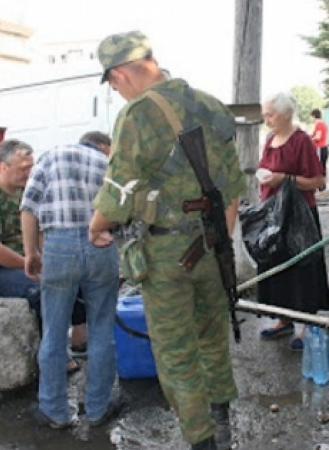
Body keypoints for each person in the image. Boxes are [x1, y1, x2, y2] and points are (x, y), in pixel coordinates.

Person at [88, 30, 245, 450]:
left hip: (165, 254)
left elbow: (117, 195)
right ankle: (221, 418)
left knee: (176, 353)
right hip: (213, 245)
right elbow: (233, 186)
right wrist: (220, 241)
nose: (117, 93)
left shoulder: (137, 115)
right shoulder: (208, 104)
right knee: (213, 337)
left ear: (119, 74)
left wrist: (95, 226)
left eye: (114, 85)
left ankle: (202, 441)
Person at [19, 131, 120, 429]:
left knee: (54, 330)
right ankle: (99, 409)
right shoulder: (107, 164)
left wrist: (30, 252)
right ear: (101, 146)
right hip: (101, 243)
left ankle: (55, 411)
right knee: (101, 328)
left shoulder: (52, 155)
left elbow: (28, 208)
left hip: (59, 246)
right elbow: (121, 210)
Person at [0, 139, 86, 374]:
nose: (29, 173)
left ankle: (79, 338)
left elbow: (38, 231)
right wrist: (33, 266)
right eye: (22, 169)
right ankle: (53, 357)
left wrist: (54, 258)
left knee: (71, 270)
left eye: (31, 167)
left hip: (24, 261)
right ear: (2, 167)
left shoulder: (27, 192)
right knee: (42, 290)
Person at [257, 92, 329, 351]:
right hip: (274, 214)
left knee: (302, 269)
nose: (266, 120)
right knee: (276, 267)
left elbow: (318, 181)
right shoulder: (269, 140)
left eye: (270, 114)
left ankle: (304, 326)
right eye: (264, 114)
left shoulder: (302, 141)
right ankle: (283, 319)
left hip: (299, 216)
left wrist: (284, 179)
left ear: (286, 114)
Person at [310, 108, 329, 192]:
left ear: (314, 116)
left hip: (319, 148)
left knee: (319, 167)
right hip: (322, 147)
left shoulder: (319, 124)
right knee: (321, 166)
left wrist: (309, 139)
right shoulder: (323, 124)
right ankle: (321, 185)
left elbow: (318, 137)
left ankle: (321, 185)